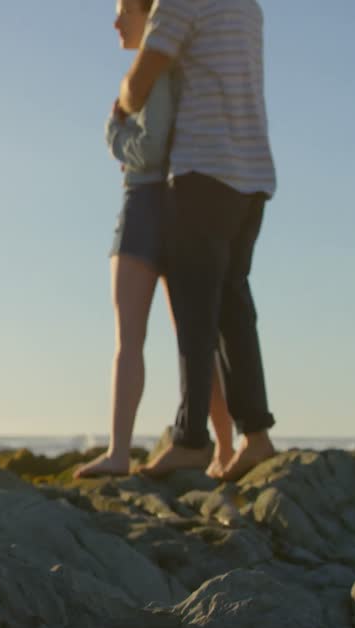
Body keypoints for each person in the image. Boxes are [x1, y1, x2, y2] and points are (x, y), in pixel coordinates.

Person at [116, 0, 279, 482]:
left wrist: (122, 104)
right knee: (233, 306)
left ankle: (190, 440)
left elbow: (139, 83)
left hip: (203, 172)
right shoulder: (247, 6)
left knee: (195, 314)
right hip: (252, 176)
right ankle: (256, 435)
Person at [76, 0, 235, 480]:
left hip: (148, 205)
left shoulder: (155, 74)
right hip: (177, 203)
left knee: (135, 339)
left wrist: (114, 130)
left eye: (125, 9)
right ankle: (224, 448)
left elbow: (147, 149)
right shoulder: (179, 71)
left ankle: (121, 452)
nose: (116, 21)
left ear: (151, 16)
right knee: (193, 337)